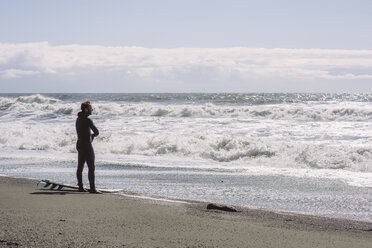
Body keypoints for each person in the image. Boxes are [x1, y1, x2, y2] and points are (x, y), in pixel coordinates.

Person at [75, 100, 101, 193]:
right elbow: (97, 132)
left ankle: (80, 187)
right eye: (90, 108)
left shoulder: (78, 119)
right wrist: (92, 136)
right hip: (86, 145)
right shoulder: (87, 120)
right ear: (86, 110)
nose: (92, 110)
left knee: (80, 167)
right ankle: (92, 189)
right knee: (91, 167)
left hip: (79, 144)